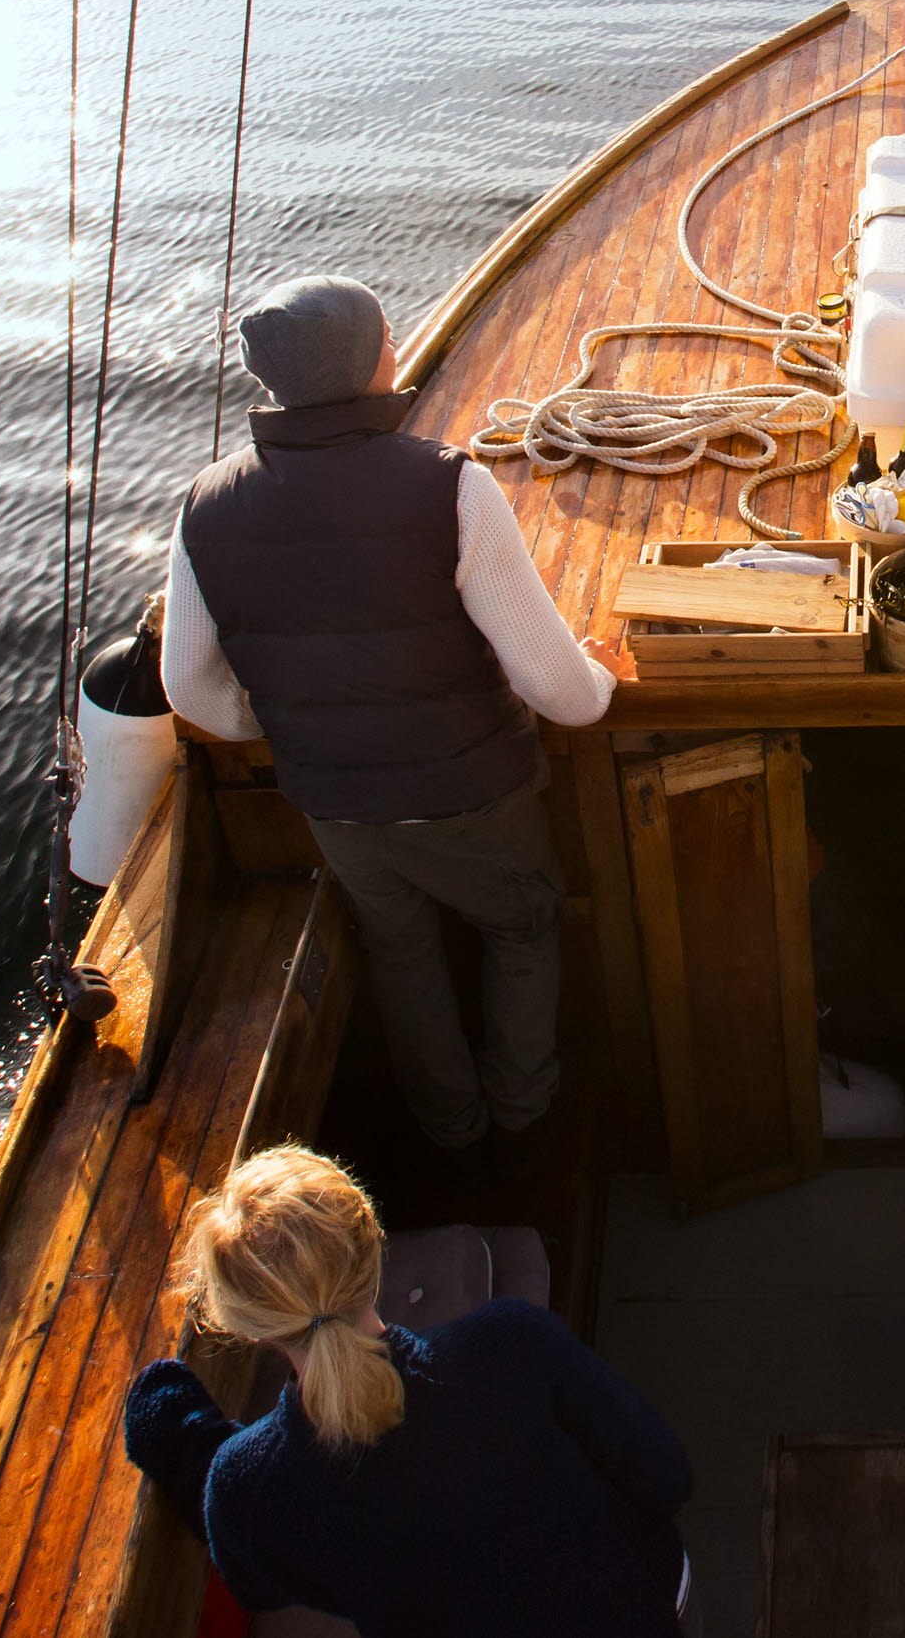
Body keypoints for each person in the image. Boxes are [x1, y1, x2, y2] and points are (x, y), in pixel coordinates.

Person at [164, 275, 618, 1162]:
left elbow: (192, 690)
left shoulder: (205, 504)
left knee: (401, 949)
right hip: (473, 795)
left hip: (336, 807)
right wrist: (601, 683)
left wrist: (286, 726)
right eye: (386, 339)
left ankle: (451, 1128)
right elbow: (556, 688)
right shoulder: (449, 487)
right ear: (373, 362)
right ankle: (523, 1117)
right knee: (520, 930)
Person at [123, 1146, 695, 1638]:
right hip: (642, 1611)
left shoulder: (250, 1491)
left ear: (246, 1325)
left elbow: (243, 1547)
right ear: (373, 1247)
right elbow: (668, 1477)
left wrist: (162, 1404)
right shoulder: (511, 1342)